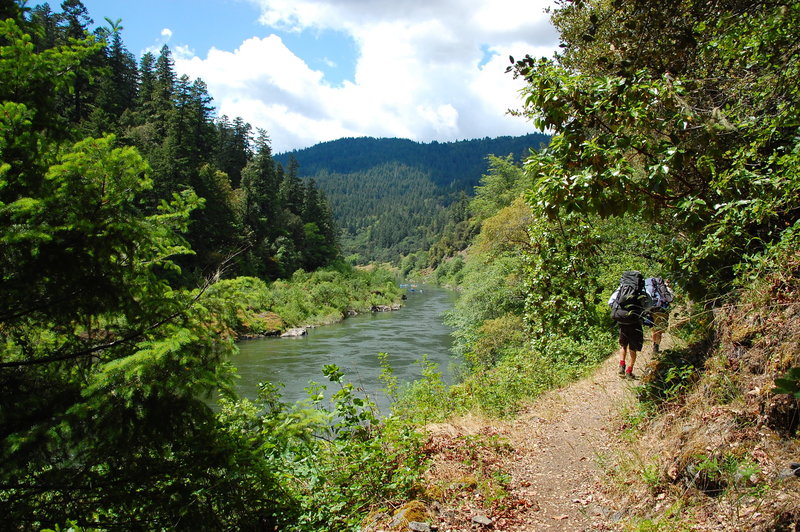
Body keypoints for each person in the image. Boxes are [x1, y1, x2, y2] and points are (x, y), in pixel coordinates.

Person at [609, 271, 653, 379]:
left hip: (622, 321)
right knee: (633, 348)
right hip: (635, 322)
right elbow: (650, 305)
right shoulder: (642, 291)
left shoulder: (621, 289)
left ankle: (621, 365)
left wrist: (620, 312)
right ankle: (629, 371)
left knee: (623, 345)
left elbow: (610, 302)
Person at [645, 277, 674, 353]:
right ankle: (656, 348)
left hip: (652, 309)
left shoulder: (651, 288)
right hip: (662, 309)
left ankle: (655, 346)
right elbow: (671, 299)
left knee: (654, 329)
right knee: (659, 330)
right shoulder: (664, 289)